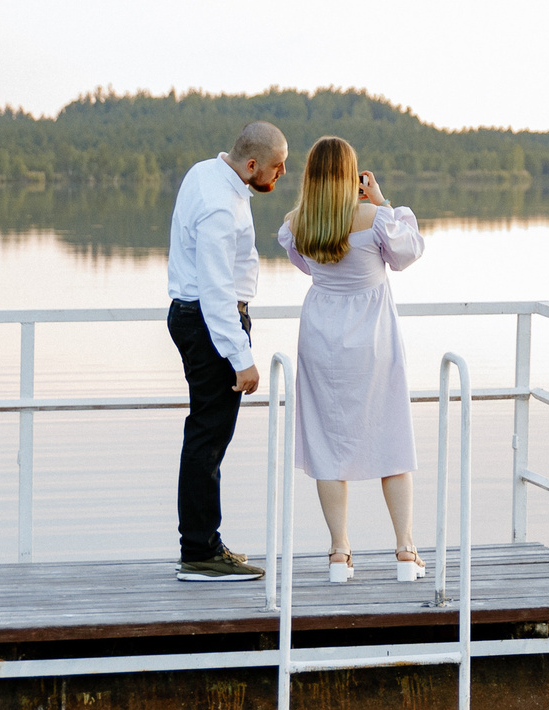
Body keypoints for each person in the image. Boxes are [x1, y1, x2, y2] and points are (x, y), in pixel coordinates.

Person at [278, 135, 428, 584]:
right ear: (352, 174)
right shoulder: (377, 218)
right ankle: (405, 551)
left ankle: (339, 554)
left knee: (328, 443)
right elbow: (408, 252)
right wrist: (387, 203)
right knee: (392, 436)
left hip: (321, 335)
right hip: (374, 337)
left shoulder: (298, 223)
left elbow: (308, 267)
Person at [165, 120, 286, 582]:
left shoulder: (206, 174)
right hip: (210, 320)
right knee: (207, 440)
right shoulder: (219, 204)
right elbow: (216, 290)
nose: (280, 176)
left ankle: (204, 545)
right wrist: (242, 357)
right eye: (277, 168)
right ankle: (199, 553)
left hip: (194, 315)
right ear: (252, 164)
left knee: (205, 436)